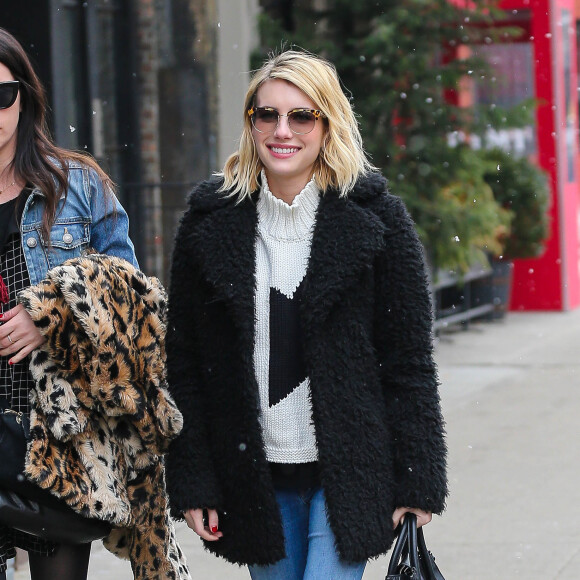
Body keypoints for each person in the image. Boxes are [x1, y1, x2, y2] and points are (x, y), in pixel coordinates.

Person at [165, 50, 448, 580]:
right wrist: (195, 480)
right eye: (266, 115)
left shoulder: (377, 221)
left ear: (327, 123)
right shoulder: (210, 226)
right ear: (250, 124)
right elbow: (186, 367)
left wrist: (417, 480)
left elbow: (408, 361)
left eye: (301, 115)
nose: (282, 130)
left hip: (348, 469)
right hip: (255, 473)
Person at [0, 27, 137, 580]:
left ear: (24, 98)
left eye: (1, 94)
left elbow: (131, 299)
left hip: (54, 435)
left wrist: (55, 312)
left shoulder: (76, 185)